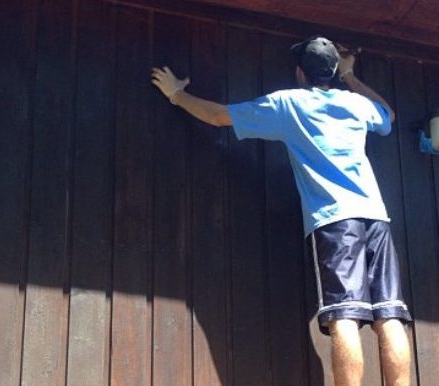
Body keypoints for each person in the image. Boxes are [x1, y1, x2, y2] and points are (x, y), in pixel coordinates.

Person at [151, 35, 412, 386]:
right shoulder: (356, 105)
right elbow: (388, 116)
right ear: (333, 71)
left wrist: (175, 94)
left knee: (344, 315)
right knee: (389, 313)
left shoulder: (290, 104)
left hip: (335, 221)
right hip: (376, 217)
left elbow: (217, 116)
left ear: (299, 73)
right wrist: (349, 76)